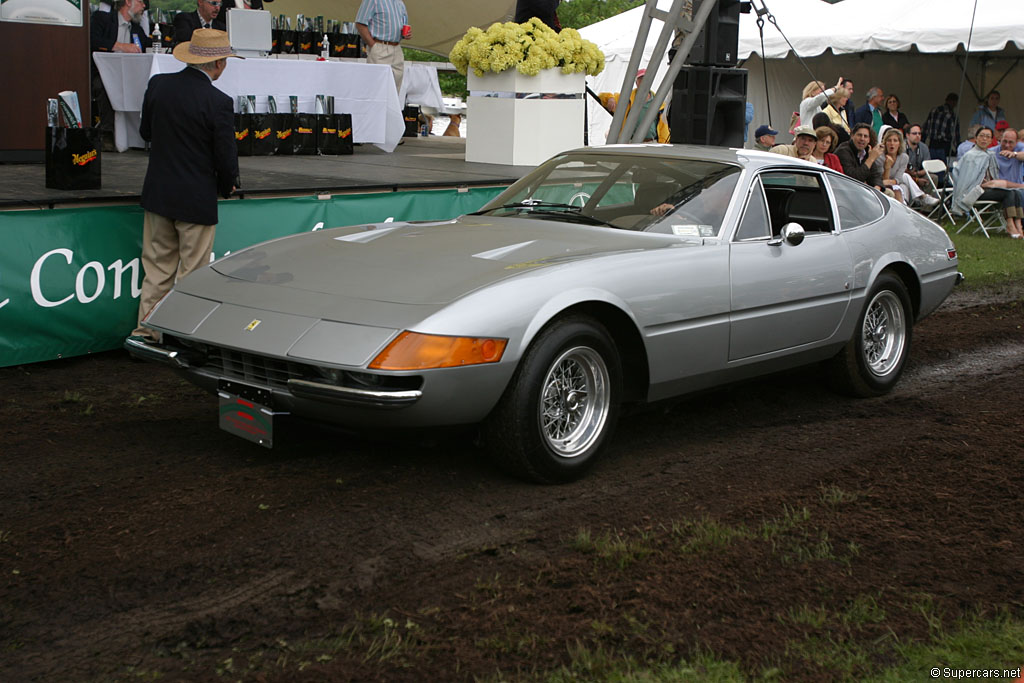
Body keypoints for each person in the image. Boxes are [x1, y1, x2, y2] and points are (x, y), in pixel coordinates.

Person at [130, 29, 241, 342]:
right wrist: (227, 184)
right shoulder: (218, 101)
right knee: (193, 274)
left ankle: (146, 332)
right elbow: (225, 155)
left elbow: (146, 132)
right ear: (218, 63)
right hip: (196, 198)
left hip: (159, 191)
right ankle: (181, 336)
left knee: (156, 268)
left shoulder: (159, 85)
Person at [91, 0, 152, 148]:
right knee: (104, 84)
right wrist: (120, 46)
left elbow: (148, 45)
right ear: (128, 2)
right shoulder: (102, 18)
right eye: (141, 2)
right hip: (102, 73)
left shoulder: (137, 30)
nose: (144, 6)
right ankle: (107, 133)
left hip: (129, 76)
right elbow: (92, 40)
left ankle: (141, 136)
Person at [952, 126, 1024, 238]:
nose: (984, 139)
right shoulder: (971, 156)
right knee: (1008, 193)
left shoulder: (989, 154)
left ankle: (1018, 226)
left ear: (991, 141)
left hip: (985, 189)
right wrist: (983, 184)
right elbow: (966, 181)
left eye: (988, 137)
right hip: (973, 193)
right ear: (976, 138)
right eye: (982, 136)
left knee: (1015, 192)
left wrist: (988, 183)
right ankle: (1010, 225)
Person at [599, 69, 670, 143]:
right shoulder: (626, 98)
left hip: (651, 143)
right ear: (636, 82)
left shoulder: (659, 103)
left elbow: (663, 128)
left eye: (646, 79)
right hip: (630, 143)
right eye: (640, 79)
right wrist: (610, 98)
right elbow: (601, 96)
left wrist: (665, 144)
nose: (643, 82)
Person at [355, 0, 409, 93]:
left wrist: (405, 34)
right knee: (377, 89)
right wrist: (373, 45)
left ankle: (391, 108)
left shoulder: (400, 2)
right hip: (380, 46)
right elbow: (360, 24)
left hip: (397, 48)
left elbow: (403, 25)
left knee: (395, 92)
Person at [835, 122, 884, 191]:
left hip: (863, 190)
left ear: (869, 140)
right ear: (852, 136)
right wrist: (871, 159)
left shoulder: (866, 151)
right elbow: (854, 178)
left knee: (889, 193)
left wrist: (877, 187)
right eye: (859, 135)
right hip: (846, 190)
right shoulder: (843, 151)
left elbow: (876, 176)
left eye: (865, 136)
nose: (862, 139)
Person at [922, 92, 960, 162]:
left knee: (931, 163)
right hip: (944, 144)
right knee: (942, 165)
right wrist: (958, 146)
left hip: (932, 142)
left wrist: (922, 141)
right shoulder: (952, 115)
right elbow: (954, 133)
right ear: (954, 102)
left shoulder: (934, 110)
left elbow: (926, 127)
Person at [904, 123, 932, 190]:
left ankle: (926, 199)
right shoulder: (901, 146)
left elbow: (928, 167)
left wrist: (918, 173)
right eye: (914, 133)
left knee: (933, 177)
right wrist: (914, 177)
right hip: (905, 174)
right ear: (907, 135)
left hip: (919, 173)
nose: (917, 136)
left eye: (919, 134)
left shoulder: (924, 147)